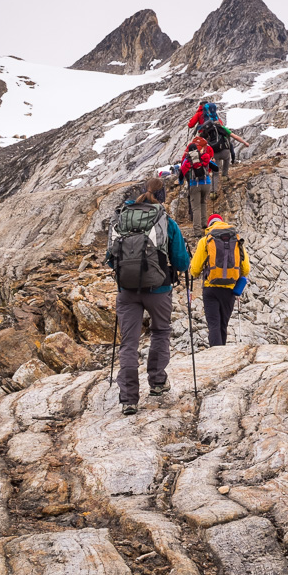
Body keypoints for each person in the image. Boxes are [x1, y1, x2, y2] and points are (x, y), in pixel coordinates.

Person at [107, 177, 190, 416]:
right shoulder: (166, 221)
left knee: (129, 343)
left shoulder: (122, 217)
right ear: (162, 196)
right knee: (160, 332)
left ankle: (129, 399)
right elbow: (182, 263)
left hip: (126, 290)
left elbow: (111, 257)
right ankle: (157, 383)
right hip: (159, 289)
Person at [190, 214, 250, 347]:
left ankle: (216, 356)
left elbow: (194, 270)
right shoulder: (236, 239)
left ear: (210, 225)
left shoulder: (205, 240)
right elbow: (246, 268)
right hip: (229, 289)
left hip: (210, 288)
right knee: (223, 325)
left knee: (214, 325)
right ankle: (222, 353)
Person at [179, 138, 218, 238]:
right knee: (204, 202)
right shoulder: (204, 156)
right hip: (206, 183)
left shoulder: (187, 160)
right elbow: (215, 167)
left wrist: (180, 182)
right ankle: (204, 224)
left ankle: (197, 232)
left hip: (194, 185)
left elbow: (181, 174)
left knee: (196, 208)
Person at [198, 121, 250, 195]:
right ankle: (224, 176)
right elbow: (235, 137)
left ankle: (213, 192)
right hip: (224, 151)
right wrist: (245, 143)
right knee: (227, 159)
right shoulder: (221, 128)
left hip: (214, 154)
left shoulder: (207, 131)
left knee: (215, 173)